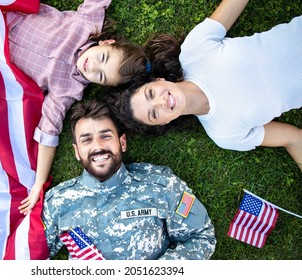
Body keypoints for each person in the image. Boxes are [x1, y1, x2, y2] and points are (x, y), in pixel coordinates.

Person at [108, 0, 302, 172]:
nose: (161, 102)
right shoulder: (225, 134)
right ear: (163, 123)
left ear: (157, 80)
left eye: (150, 94)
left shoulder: (194, 52)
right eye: (154, 114)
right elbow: (294, 139)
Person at [5, 0, 149, 214]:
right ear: (106, 43)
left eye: (100, 76)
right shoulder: (87, 24)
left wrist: (38, 183)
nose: (92, 66)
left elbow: (49, 130)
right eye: (102, 58)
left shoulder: (68, 89)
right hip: (6, 11)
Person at [42, 99, 216, 260]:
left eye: (106, 136)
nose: (98, 146)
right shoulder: (57, 202)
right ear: (76, 152)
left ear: (122, 142)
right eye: (86, 140)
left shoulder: (161, 185)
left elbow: (201, 236)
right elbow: (28, 257)